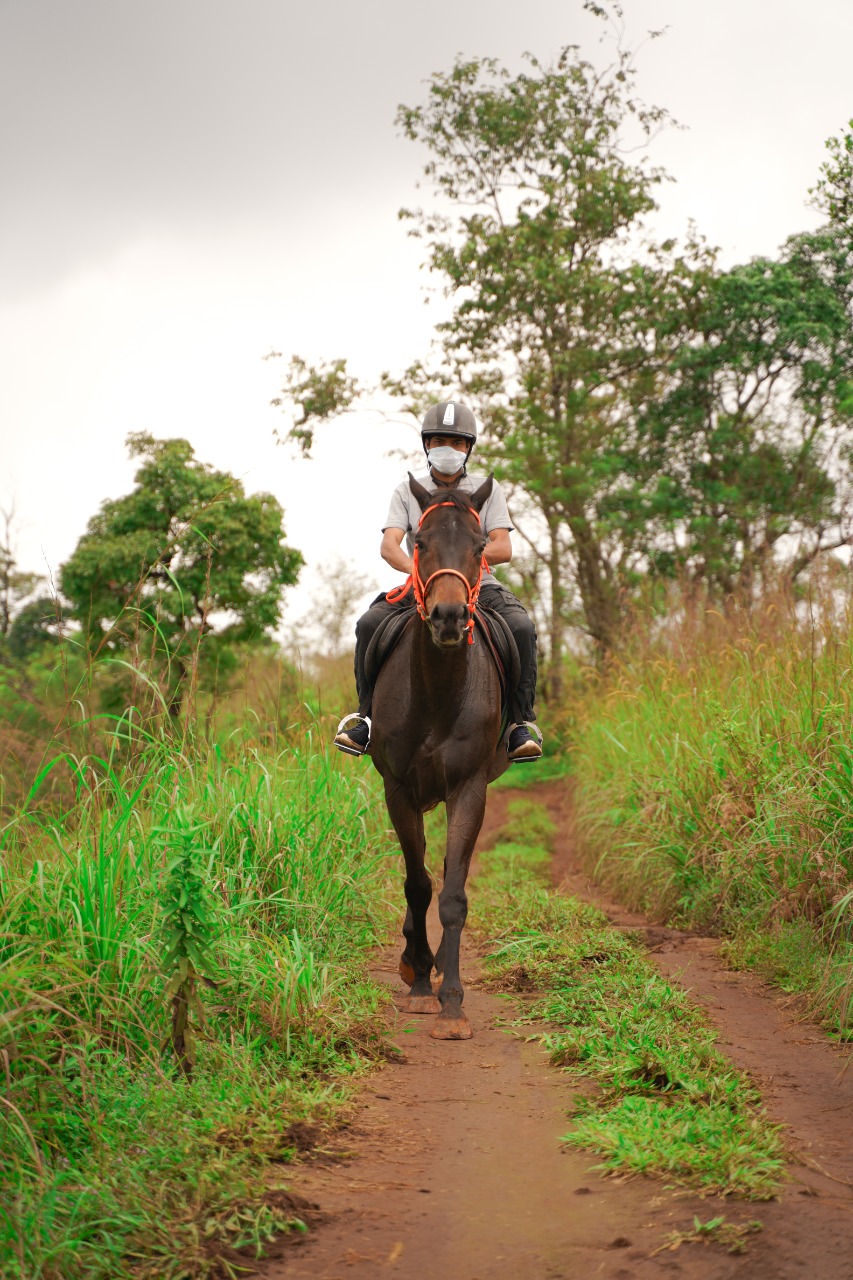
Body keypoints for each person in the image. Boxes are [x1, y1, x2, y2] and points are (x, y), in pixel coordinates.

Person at [334, 400, 542, 763]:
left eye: (457, 442)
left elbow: (503, 546)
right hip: (422, 583)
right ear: (427, 445)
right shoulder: (406, 491)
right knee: (368, 624)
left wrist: (464, 560)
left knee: (521, 628)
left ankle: (518, 724)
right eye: (440, 441)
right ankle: (365, 718)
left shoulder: (488, 490)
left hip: (476, 582)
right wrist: (418, 571)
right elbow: (389, 544)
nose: (449, 448)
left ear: (468, 448)